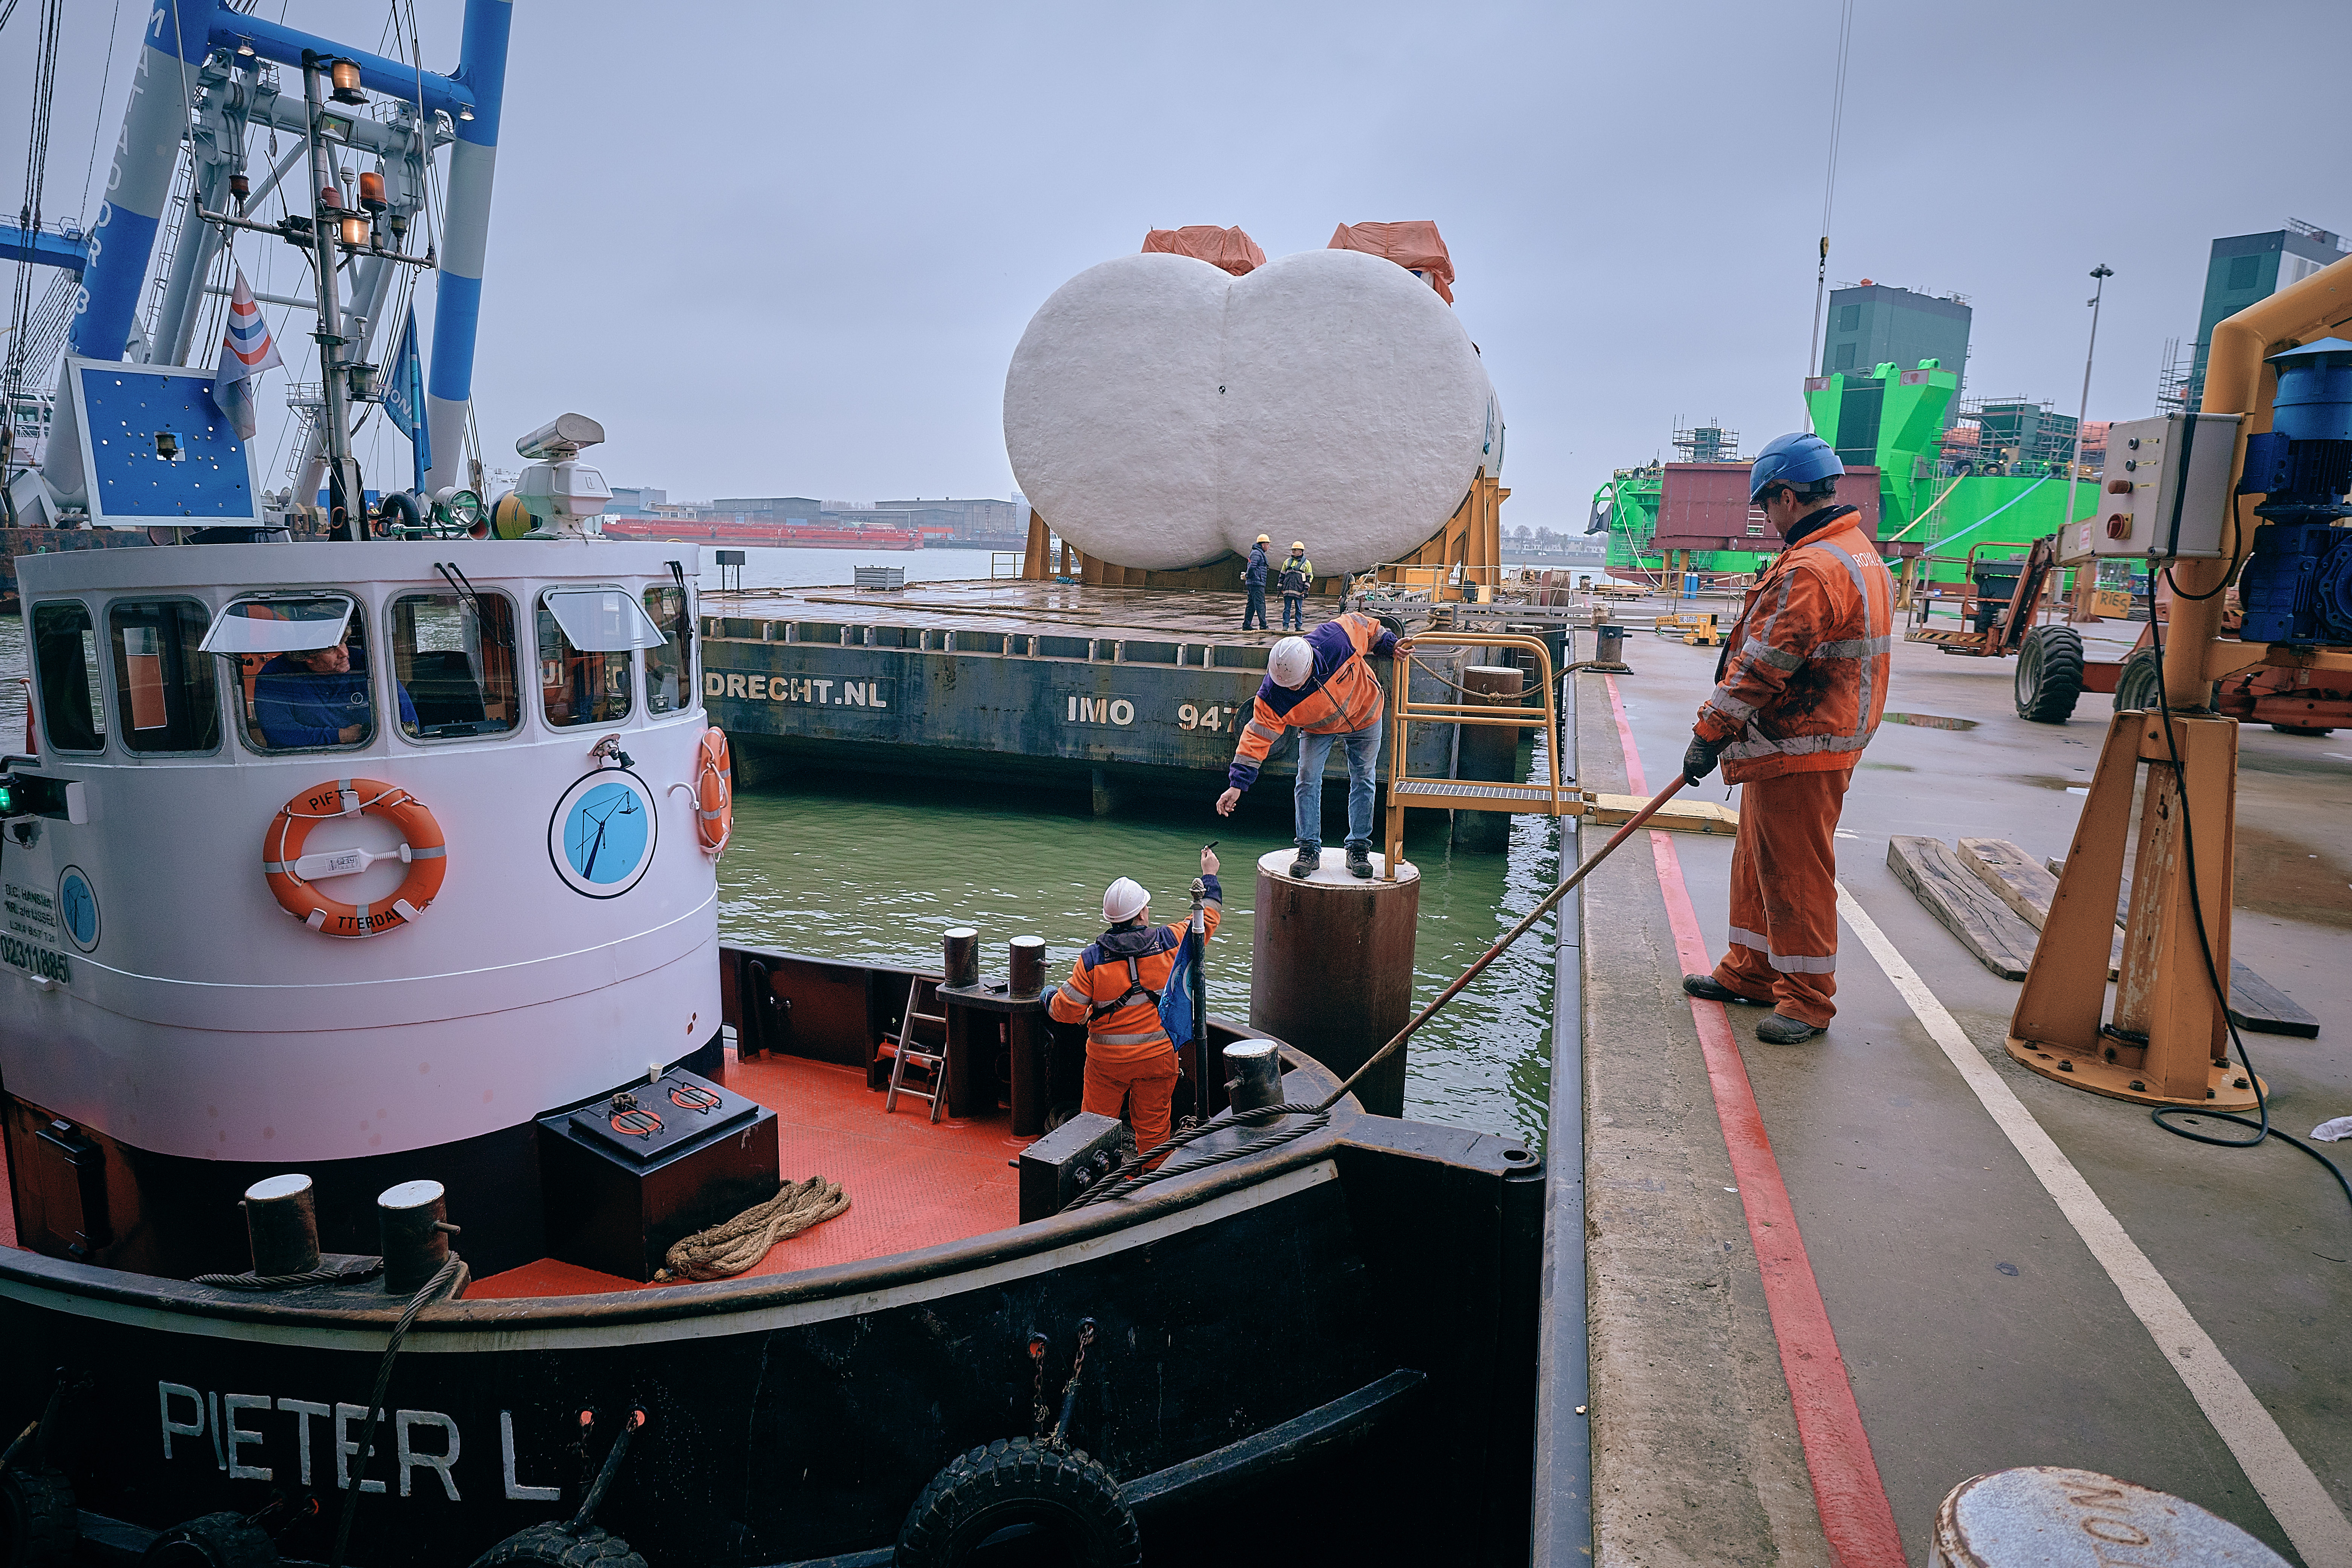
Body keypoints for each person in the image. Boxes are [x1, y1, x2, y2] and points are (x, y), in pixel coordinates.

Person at [1680, 432, 1893, 1044]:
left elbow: (1764, 664)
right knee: (1758, 861)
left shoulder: (1813, 568)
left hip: (1805, 744)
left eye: (1767, 505)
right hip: (1805, 739)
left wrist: (1708, 734)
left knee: (1796, 873)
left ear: (1787, 496)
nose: (1767, 520)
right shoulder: (1858, 553)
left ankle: (1805, 1001)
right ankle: (1751, 971)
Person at [1047, 846, 1223, 1153]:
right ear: (1143, 912)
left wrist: (1046, 997)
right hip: (1158, 1058)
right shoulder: (1172, 943)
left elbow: (1065, 1011)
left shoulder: (1092, 961)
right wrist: (1210, 875)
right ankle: (1149, 1187)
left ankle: (1097, 1189)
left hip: (1107, 1064)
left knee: (1093, 1132)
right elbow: (1206, 918)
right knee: (1154, 1134)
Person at [1215, 611, 1413, 880]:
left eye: (1298, 685)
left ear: (1309, 667)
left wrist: (1389, 644)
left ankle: (1358, 849)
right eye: (1289, 686)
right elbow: (1256, 737)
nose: (1293, 690)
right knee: (1307, 779)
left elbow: (1365, 626)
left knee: (1364, 778)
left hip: (1365, 714)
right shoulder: (1275, 694)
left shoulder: (1337, 639)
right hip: (1317, 728)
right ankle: (1308, 849)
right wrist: (1237, 785)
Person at [253, 639, 417, 748]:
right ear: (308, 657)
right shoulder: (276, 674)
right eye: (332, 650)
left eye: (344, 643)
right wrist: (344, 736)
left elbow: (407, 723)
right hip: (308, 764)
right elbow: (281, 736)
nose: (345, 653)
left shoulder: (367, 662)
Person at [1277, 541, 1315, 631]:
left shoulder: (1307, 563)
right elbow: (1282, 575)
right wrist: (1280, 588)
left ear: (1301, 552)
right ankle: (1285, 626)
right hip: (1288, 591)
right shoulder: (1287, 562)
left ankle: (1298, 626)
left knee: (1299, 610)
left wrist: (1306, 590)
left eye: (1295, 550)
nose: (1293, 551)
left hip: (1299, 591)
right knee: (1287, 609)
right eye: (1293, 550)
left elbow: (1309, 577)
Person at [1242, 533, 1271, 631]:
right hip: (1256, 583)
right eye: (1268, 544)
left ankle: (1246, 625)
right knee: (1260, 604)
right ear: (1263, 545)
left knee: (1252, 605)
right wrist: (1248, 576)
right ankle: (1263, 626)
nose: (1269, 546)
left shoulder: (1257, 553)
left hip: (1255, 582)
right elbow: (1252, 567)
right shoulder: (1257, 554)